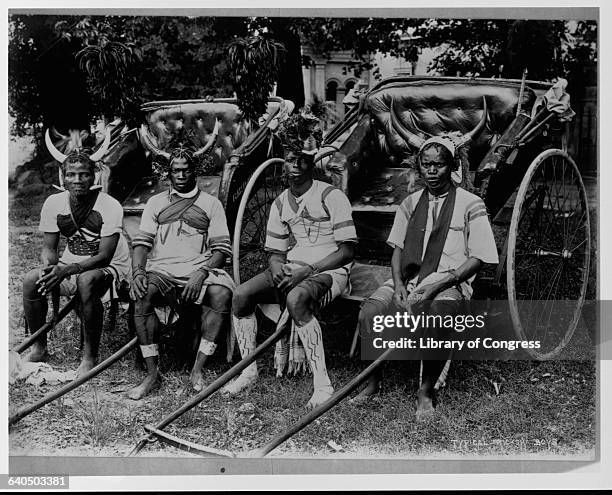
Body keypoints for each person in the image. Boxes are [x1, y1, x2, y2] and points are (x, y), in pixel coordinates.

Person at [355, 118, 499, 418]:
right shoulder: (409, 203)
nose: (432, 171)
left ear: (453, 165)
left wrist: (436, 286)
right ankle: (371, 382)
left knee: (437, 314)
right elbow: (396, 252)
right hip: (409, 280)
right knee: (370, 311)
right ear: (419, 166)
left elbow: (480, 257)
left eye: (440, 164)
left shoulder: (470, 203)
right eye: (426, 164)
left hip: (450, 283)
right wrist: (397, 288)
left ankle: (425, 390)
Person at [223, 112, 357, 409]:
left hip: (331, 270)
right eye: (289, 160)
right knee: (241, 295)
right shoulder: (281, 201)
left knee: (296, 297)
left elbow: (347, 252)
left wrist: (306, 271)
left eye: (301, 161)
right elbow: (275, 252)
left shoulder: (331, 196)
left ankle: (322, 384)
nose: (294, 167)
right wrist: (278, 269)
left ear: (312, 162)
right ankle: (248, 370)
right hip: (293, 267)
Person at [127, 135, 234, 399]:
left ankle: (197, 369)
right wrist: (138, 271)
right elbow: (141, 244)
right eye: (176, 170)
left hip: (199, 270)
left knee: (221, 294)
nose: (182, 175)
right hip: (161, 270)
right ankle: (152, 374)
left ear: (195, 171)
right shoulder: (155, 203)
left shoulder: (211, 204)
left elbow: (221, 250)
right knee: (141, 295)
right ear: (168, 173)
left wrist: (203, 272)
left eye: (187, 170)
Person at [22, 129, 130, 377]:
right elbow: (49, 249)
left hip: (111, 267)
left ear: (95, 175)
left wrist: (66, 270)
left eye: (84, 174)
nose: (78, 180)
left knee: (87, 279)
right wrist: (50, 268)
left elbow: (104, 257)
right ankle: (40, 347)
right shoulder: (53, 204)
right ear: (63, 177)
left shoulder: (109, 205)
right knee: (31, 279)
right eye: (71, 174)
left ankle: (89, 356)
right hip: (70, 264)